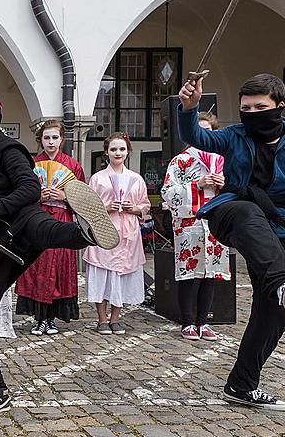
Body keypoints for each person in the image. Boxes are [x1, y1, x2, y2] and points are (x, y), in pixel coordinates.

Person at [0, 89, 118, 420]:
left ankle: (87, 231)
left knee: (48, 231)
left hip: (21, 220)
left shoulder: (8, 150)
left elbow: (30, 189)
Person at [178, 73, 285, 411]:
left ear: (279, 107)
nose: (252, 112)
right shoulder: (232, 136)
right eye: (246, 108)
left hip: (281, 227)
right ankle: (283, 284)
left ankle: (241, 385)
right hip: (233, 210)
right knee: (247, 213)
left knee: (273, 314)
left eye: (260, 107)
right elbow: (195, 135)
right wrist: (189, 107)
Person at [161, 112, 230, 341]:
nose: (203, 135)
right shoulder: (180, 161)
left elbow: (237, 190)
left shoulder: (222, 160)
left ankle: (204, 321)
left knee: (211, 273)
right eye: (198, 130)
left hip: (215, 223)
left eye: (207, 131)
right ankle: (188, 322)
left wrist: (224, 185)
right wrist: (197, 184)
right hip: (189, 222)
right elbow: (168, 193)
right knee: (189, 273)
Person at [15, 121, 86, 335]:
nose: (51, 142)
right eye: (46, 138)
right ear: (40, 140)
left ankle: (52, 318)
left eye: (55, 137)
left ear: (61, 139)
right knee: (38, 264)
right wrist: (38, 196)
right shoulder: (32, 164)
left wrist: (65, 196)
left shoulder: (73, 166)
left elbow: (83, 198)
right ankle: (40, 318)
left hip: (62, 219)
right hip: (39, 218)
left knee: (59, 266)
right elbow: (21, 195)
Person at [84, 133, 150, 335]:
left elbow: (145, 205)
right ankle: (102, 319)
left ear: (127, 151)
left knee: (121, 275)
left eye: (121, 149)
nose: (118, 153)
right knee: (102, 274)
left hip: (128, 233)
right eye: (113, 149)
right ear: (106, 152)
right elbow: (89, 207)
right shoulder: (97, 179)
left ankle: (115, 318)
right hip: (105, 231)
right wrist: (106, 206)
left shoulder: (136, 179)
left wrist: (135, 209)